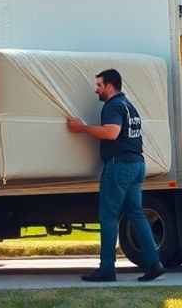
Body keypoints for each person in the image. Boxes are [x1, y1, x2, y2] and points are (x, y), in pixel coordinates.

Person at [67, 69, 165, 282]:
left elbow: (111, 133)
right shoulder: (129, 106)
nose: (96, 90)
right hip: (137, 165)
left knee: (109, 217)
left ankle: (107, 269)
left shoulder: (112, 106)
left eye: (99, 85)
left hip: (119, 166)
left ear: (110, 86)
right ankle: (154, 263)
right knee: (137, 215)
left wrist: (82, 128)